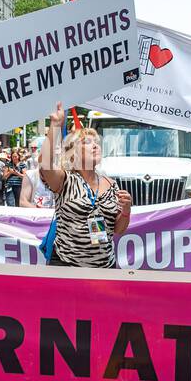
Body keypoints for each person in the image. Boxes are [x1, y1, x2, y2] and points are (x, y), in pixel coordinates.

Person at [38, 102, 132, 268]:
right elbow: (45, 162)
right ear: (73, 153)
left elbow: (118, 229)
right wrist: (55, 125)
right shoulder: (65, 181)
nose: (95, 145)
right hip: (67, 268)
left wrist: (125, 212)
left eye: (96, 141)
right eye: (88, 142)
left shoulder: (111, 184)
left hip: (104, 269)